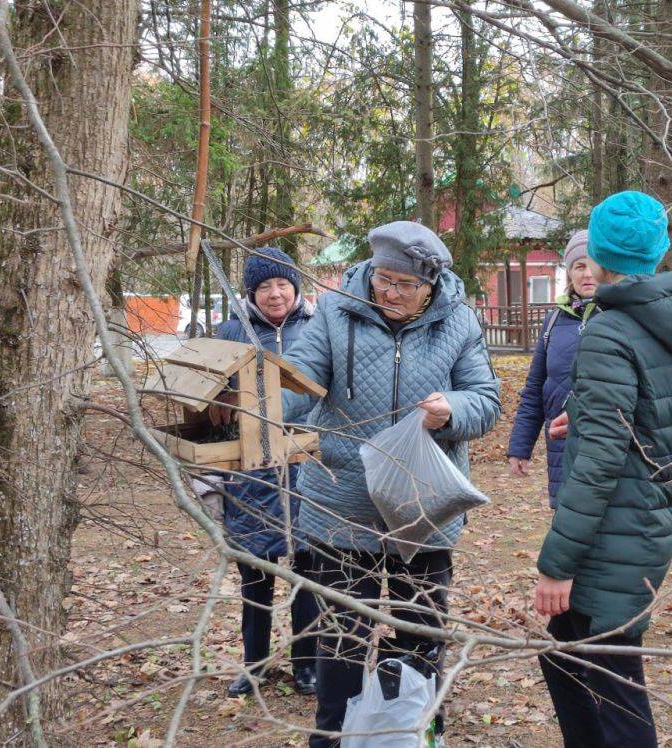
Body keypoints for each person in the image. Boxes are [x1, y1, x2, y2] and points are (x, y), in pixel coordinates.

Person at [282, 221, 501, 748]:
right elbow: (299, 376)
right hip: (341, 502)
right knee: (340, 636)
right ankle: (333, 733)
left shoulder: (459, 322)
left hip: (424, 505)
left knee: (420, 630)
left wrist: (452, 410)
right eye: (383, 279)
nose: (390, 293)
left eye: (404, 285)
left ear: (430, 284)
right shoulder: (336, 312)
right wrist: (255, 406)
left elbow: (486, 400)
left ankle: (415, 728)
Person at [534, 191, 672, 747]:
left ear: (601, 257)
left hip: (612, 533)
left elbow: (598, 466)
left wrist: (556, 563)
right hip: (645, 528)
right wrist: (585, 414)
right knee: (566, 652)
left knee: (615, 685)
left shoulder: (609, 329)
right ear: (658, 253)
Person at [206, 246, 319, 698]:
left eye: (283, 284)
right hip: (250, 471)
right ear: (251, 292)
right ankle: (253, 666)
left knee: (308, 573)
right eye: (266, 286)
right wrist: (218, 403)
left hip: (307, 465)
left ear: (296, 287)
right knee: (256, 574)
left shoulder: (316, 328)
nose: (276, 295)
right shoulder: (231, 330)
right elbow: (209, 393)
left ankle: (307, 664)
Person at [507, 230, 599, 509]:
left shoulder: (620, 316)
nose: (587, 274)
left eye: (594, 264)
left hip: (608, 448)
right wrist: (520, 447)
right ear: (569, 272)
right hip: (561, 451)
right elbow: (535, 389)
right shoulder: (554, 321)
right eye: (579, 266)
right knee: (567, 525)